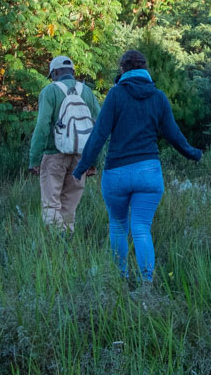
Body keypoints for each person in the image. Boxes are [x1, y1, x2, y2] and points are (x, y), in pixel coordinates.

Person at [72, 49, 203, 285]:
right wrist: (194, 154)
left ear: (122, 70)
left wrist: (82, 167)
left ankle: (121, 280)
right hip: (148, 173)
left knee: (118, 226)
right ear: (145, 69)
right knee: (141, 228)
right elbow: (174, 136)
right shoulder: (159, 97)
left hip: (117, 174)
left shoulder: (115, 95)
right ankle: (146, 285)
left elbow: (99, 134)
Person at [28, 56, 101, 232]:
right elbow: (99, 127)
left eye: (52, 74)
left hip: (54, 155)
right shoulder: (87, 92)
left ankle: (56, 246)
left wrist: (34, 159)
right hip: (80, 157)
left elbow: (43, 126)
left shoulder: (50, 91)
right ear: (73, 73)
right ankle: (67, 244)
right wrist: (93, 161)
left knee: (51, 205)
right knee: (69, 206)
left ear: (55, 72)